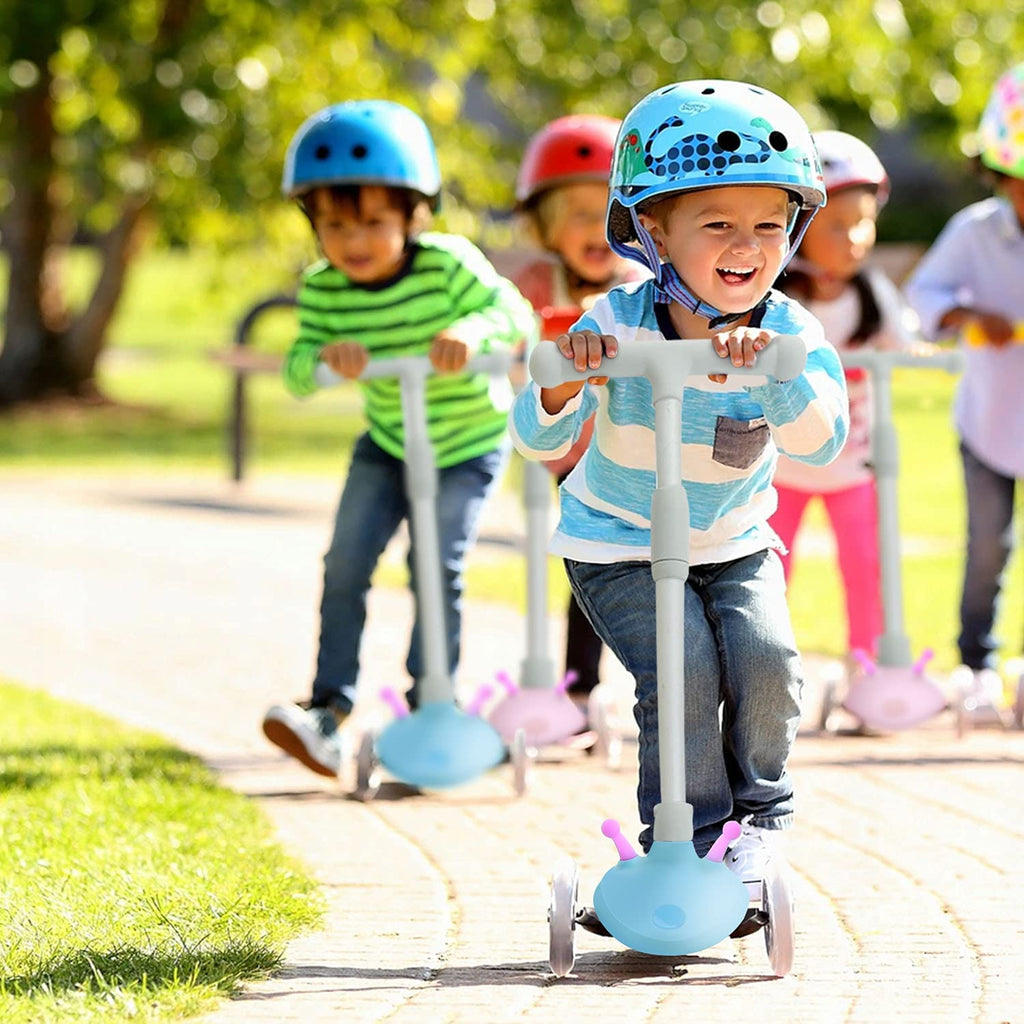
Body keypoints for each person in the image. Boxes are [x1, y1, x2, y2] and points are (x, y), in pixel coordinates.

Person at [509, 80, 849, 890]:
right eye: (718, 223)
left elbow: (822, 443)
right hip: (616, 540)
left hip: (732, 540)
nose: (748, 243)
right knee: (685, 670)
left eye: (770, 223)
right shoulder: (614, 322)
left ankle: (759, 823)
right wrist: (564, 381)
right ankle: (689, 845)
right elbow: (535, 437)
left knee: (767, 661)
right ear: (654, 231)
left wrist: (774, 376)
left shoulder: (791, 333)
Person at [262, 100, 535, 777]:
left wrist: (470, 334)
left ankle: (430, 702)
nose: (354, 242)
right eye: (334, 225)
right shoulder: (326, 289)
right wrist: (329, 360)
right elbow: (297, 367)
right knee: (345, 564)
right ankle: (327, 708)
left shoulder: (448, 265)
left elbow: (512, 310)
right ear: (314, 224)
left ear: (415, 215)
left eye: (375, 223)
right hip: (388, 443)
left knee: (434, 566)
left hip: (466, 442)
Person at [770, 131, 921, 679]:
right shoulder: (778, 302)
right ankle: (765, 672)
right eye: (838, 225)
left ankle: (866, 672)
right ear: (800, 229)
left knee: (866, 569)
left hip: (855, 464)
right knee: (769, 573)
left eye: (864, 222)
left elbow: (907, 345)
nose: (855, 239)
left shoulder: (876, 297)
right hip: (783, 466)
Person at [513, 114, 647, 715]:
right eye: (579, 215)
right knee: (582, 564)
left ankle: (660, 688)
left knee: (645, 568)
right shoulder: (534, 288)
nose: (598, 229)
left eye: (610, 213)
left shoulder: (644, 287)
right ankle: (576, 686)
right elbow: (509, 330)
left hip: (630, 452)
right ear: (546, 225)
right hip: (562, 455)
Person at [904, 63, 1024, 706]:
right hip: (991, 421)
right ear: (1001, 177)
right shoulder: (977, 232)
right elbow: (921, 293)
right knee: (987, 548)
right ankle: (977, 661)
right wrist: (969, 315)